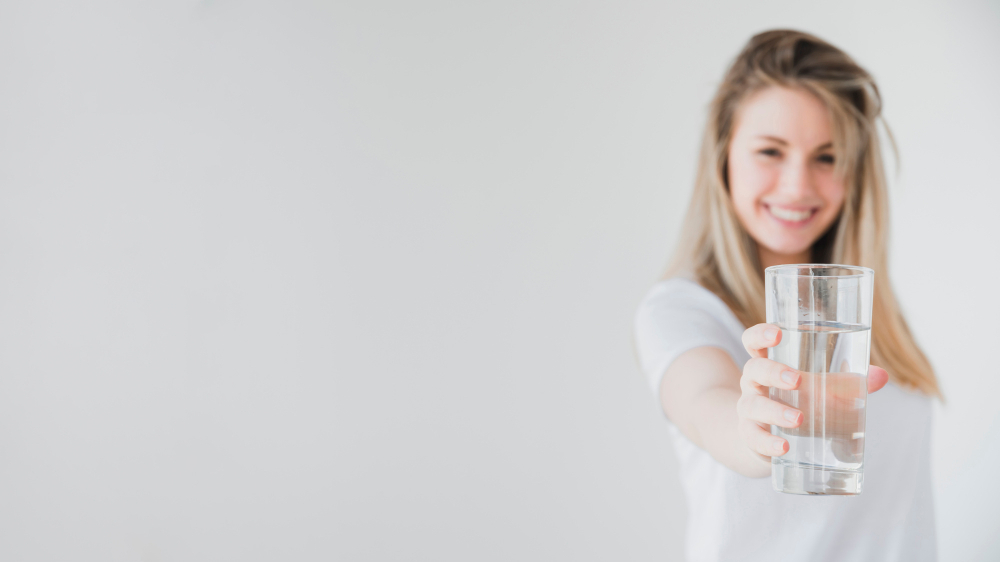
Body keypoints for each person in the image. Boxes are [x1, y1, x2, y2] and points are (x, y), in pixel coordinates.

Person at [633, 29, 942, 562]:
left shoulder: (865, 317)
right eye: (770, 151)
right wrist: (754, 430)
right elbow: (707, 405)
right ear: (723, 157)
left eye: (827, 157)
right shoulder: (681, 311)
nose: (798, 186)